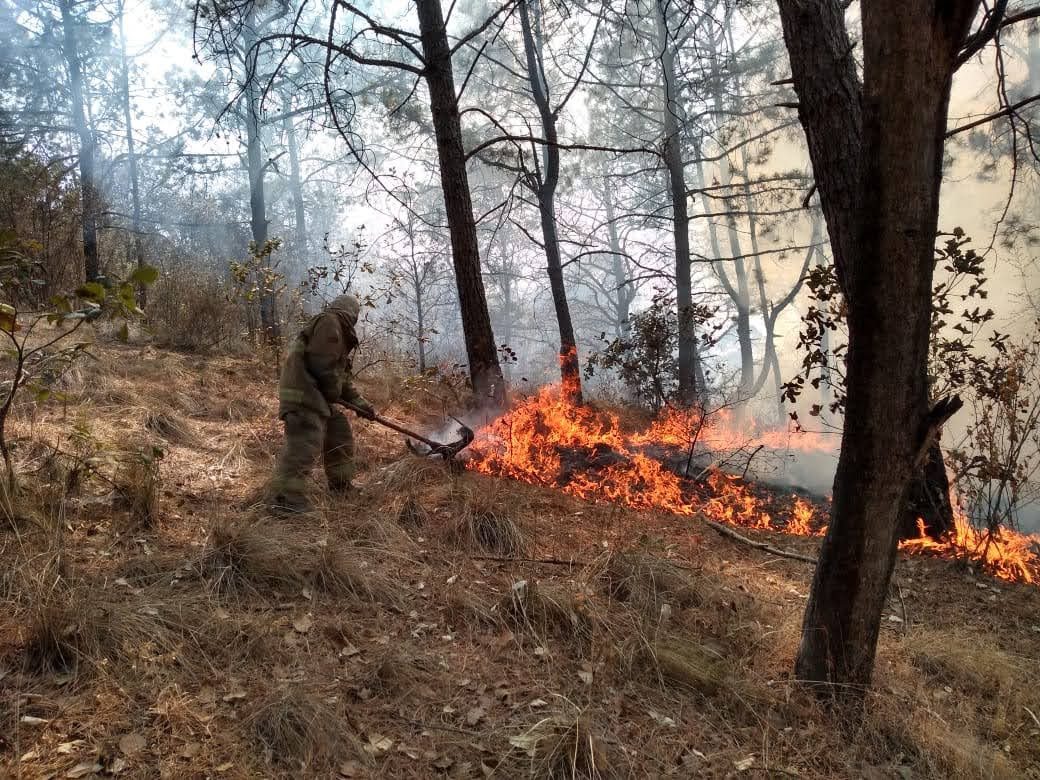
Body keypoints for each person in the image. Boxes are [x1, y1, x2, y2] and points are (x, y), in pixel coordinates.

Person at [268, 293, 375, 513]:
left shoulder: (338, 332)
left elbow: (341, 379)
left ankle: (341, 485)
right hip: (303, 395)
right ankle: (286, 500)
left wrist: (362, 405)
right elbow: (322, 367)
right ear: (351, 313)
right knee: (304, 444)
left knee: (339, 430)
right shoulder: (329, 323)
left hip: (316, 396)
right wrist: (332, 392)